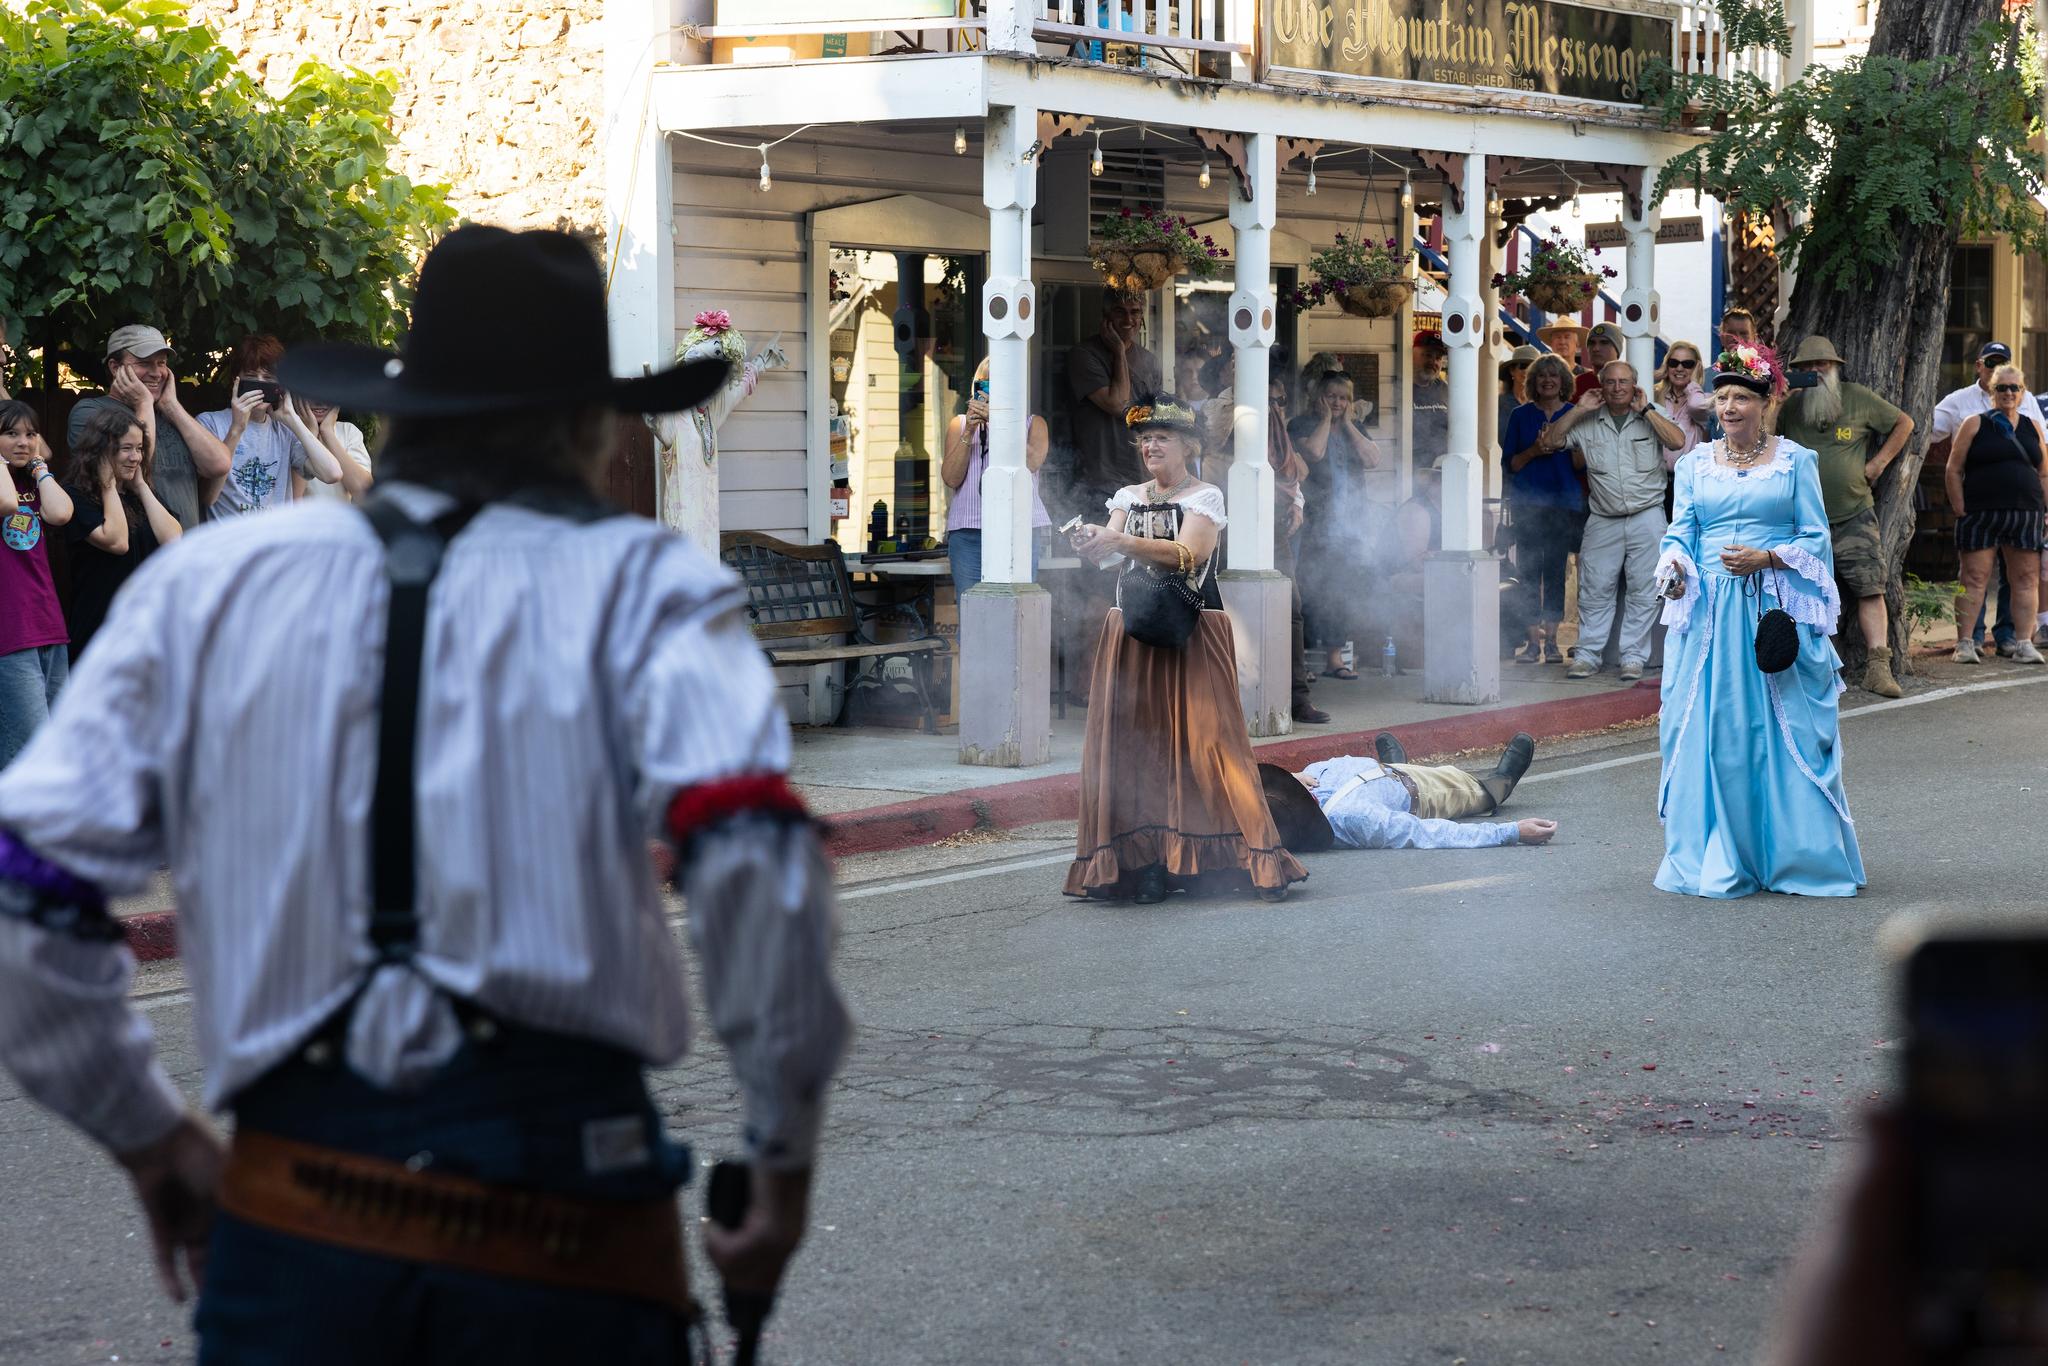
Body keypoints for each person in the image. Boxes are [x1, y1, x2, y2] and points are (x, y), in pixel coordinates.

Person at [0, 226, 852, 1361]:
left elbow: (24, 896)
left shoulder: (213, 588)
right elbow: (757, 870)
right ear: (587, 426)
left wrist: (154, 1144)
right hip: (570, 1226)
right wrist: (780, 1160)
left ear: (403, 416)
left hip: (297, 1228)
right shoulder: (641, 587)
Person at [1064, 395, 1307, 905]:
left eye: (1163, 438)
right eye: (1146, 438)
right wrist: (1092, 545)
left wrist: (1119, 543)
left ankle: (1248, 858)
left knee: (1212, 747)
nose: (1151, 445)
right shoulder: (1127, 496)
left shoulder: (1206, 497)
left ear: (1188, 447)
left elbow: (1187, 554)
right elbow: (1111, 562)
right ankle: (1144, 865)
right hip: (1132, 632)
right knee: (1137, 751)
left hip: (1192, 630)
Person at [1652, 345, 1865, 898]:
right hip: (1710, 614)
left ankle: (1789, 851)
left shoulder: (1796, 461)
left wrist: (1769, 559)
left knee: (1777, 725)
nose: (1728, 407)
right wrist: (1673, 566)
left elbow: (1815, 537)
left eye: (1741, 397)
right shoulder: (1696, 463)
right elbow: (1683, 532)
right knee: (1712, 725)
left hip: (1771, 605)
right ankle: (1717, 849)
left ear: (1764, 403)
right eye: (1721, 397)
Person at [1779, 336, 1917, 695]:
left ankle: (1878, 669)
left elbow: (1904, 423)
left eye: (1821, 365)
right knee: (1806, 595)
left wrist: (1879, 462)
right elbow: (1762, 439)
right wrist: (1776, 403)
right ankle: (1815, 672)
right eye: (1806, 367)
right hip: (1803, 520)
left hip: (1853, 513)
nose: (1814, 372)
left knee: (1870, 588)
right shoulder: (1789, 407)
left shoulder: (1856, 397)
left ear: (1836, 367)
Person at [1549, 360, 1688, 681]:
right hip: (1603, 517)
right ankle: (1587, 655)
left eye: (1623, 382)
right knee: (1594, 587)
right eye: (1610, 382)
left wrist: (1647, 411)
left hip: (1647, 515)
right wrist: (1577, 408)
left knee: (1644, 589)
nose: (1616, 388)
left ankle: (1633, 658)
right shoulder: (1587, 420)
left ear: (1634, 385)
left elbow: (1677, 441)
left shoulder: (1651, 413)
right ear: (1601, 386)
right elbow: (1552, 442)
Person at [1060, 294, 1162, 699]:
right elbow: (1120, 404)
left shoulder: (1150, 362)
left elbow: (1150, 419)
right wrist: (1119, 353)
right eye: (1121, 312)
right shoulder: (1085, 355)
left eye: (1136, 313)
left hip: (1140, 486)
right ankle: (1090, 685)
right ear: (1105, 318)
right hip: (1098, 485)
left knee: (1139, 587)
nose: (1129, 320)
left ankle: (1129, 683)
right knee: (1096, 590)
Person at [1931, 341, 2048, 656]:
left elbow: (2044, 470)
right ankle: (1968, 642)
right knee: (1974, 577)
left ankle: (2018, 641)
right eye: (2003, 388)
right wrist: (1959, 507)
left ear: (2022, 391)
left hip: (2025, 512)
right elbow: (1952, 466)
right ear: (1991, 387)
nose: (2009, 393)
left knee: (2024, 578)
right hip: (1980, 511)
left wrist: (2046, 510)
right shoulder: (1969, 415)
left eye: (2015, 388)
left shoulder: (2032, 421)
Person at [1259, 731, 1554, 852]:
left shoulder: (1299, 783)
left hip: (1384, 771)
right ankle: (1499, 785)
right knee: (1475, 791)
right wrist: (1512, 832)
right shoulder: (1357, 819)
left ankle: (1398, 760)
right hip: (1421, 792)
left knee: (1389, 767)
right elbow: (1427, 833)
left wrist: (1291, 777)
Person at [66, 325, 233, 530]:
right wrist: (144, 403)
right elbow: (137, 467)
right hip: (137, 554)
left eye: (161, 363)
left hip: (186, 552)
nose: (156, 373)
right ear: (115, 367)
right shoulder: (90, 412)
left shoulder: (172, 416)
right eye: (144, 363)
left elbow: (219, 465)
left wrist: (171, 406)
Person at [58, 407, 183, 663]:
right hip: (100, 629)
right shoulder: (74, 495)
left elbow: (173, 540)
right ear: (101, 451)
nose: (136, 457)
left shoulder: (140, 495)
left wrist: (140, 486)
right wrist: (107, 484)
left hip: (145, 627)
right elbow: (117, 541)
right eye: (126, 448)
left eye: (139, 448)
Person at [1291, 368, 1386, 679]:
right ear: (1317, 397)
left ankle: (1335, 658)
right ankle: (1301, 662)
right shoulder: (1302, 424)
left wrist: (1346, 424)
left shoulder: (1353, 427)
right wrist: (1326, 421)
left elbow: (1373, 460)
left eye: (1343, 398)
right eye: (1331, 396)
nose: (1337, 402)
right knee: (1310, 589)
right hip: (1314, 522)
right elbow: (1314, 453)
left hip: (1350, 524)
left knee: (1340, 590)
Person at [197, 334, 345, 516]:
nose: (260, 384)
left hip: (272, 541)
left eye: (268, 378)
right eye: (252, 377)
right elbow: (208, 497)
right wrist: (237, 428)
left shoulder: (284, 431)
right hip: (230, 542)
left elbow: (333, 473)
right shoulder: (210, 423)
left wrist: (292, 418)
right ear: (236, 380)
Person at [0, 402, 73, 767]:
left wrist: (41, 468)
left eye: (31, 434)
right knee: (29, 755)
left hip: (48, 625)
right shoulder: (6, 485)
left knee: (57, 746)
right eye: (11, 433)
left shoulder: (33, 480)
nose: (23, 442)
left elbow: (60, 513)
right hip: (10, 632)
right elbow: (6, 502)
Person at [941, 357, 1052, 594]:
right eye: (987, 384)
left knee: (1017, 604)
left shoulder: (1034, 424)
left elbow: (1031, 462)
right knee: (971, 610)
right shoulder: (959, 425)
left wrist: (999, 421)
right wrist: (970, 430)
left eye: (1002, 384)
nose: (994, 392)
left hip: (1018, 530)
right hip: (969, 530)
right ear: (977, 387)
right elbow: (951, 478)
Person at [1503, 355, 1583, 664]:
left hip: (1563, 505)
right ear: (1533, 382)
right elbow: (1511, 463)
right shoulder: (1520, 416)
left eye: (1554, 375)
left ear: (1564, 381)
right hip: (1528, 505)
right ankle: (1531, 643)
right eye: (1541, 376)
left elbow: (1580, 465)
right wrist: (1536, 450)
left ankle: (1551, 643)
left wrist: (1568, 443)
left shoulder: (1575, 414)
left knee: (1554, 576)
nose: (1548, 380)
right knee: (1527, 573)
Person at [293, 396, 375, 503]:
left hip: (340, 518)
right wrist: (310, 433)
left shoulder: (348, 431)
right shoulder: (287, 432)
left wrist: (328, 432)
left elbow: (363, 491)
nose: (319, 403)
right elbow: (293, 500)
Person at [1652, 339, 1714, 461]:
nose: (1679, 368)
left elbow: (1695, 406)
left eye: (1687, 364)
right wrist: (1657, 374)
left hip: (1689, 478)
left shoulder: (1704, 400)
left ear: (1697, 368)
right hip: (1658, 477)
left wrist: (1694, 382)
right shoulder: (1655, 394)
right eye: (1673, 363)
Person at [1410, 331, 1450, 468]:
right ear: (1412, 354)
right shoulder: (1400, 388)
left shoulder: (1447, 391)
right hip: (1410, 474)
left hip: (1441, 473)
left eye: (1438, 358)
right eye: (1428, 355)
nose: (1433, 362)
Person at [1573, 322, 1625, 401]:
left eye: (1604, 342)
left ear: (1617, 349)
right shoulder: (1576, 384)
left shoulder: (1629, 383)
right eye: (1592, 343)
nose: (1596, 348)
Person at [1498, 344, 1539, 438]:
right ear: (1512, 370)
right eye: (1523, 366)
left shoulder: (1544, 404)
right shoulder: (1498, 404)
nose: (1527, 371)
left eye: (1532, 367)